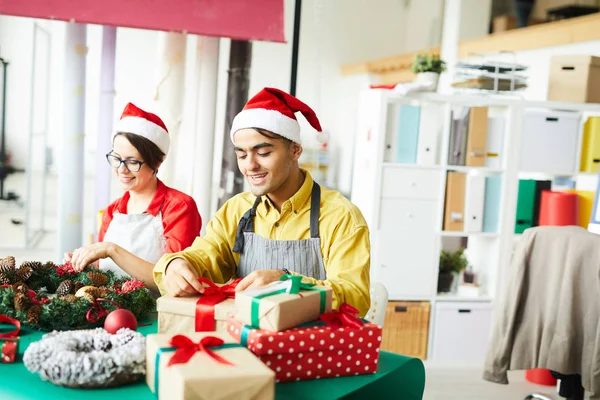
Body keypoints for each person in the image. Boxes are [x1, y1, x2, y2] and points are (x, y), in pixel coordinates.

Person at [153, 87, 371, 315]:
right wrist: (175, 265)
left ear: (295, 150)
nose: (250, 165)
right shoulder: (236, 210)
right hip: (247, 338)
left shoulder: (340, 216)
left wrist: (288, 284)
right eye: (242, 155)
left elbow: (354, 297)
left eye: (263, 153)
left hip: (312, 345)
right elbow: (204, 255)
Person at [65, 103, 202, 293]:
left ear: (157, 162)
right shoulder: (112, 212)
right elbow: (105, 273)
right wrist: (84, 263)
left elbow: (175, 281)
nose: (121, 169)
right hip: (111, 312)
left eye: (132, 162)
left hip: (158, 316)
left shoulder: (179, 208)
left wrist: (112, 250)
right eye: (117, 158)